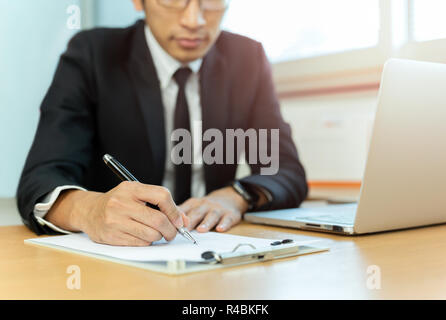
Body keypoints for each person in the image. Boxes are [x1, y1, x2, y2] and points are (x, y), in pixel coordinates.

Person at [16, 0, 308, 246]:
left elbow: (286, 170)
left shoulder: (247, 59)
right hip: (121, 258)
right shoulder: (93, 54)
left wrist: (237, 196)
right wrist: (89, 210)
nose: (194, 20)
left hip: (214, 247)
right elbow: (42, 178)